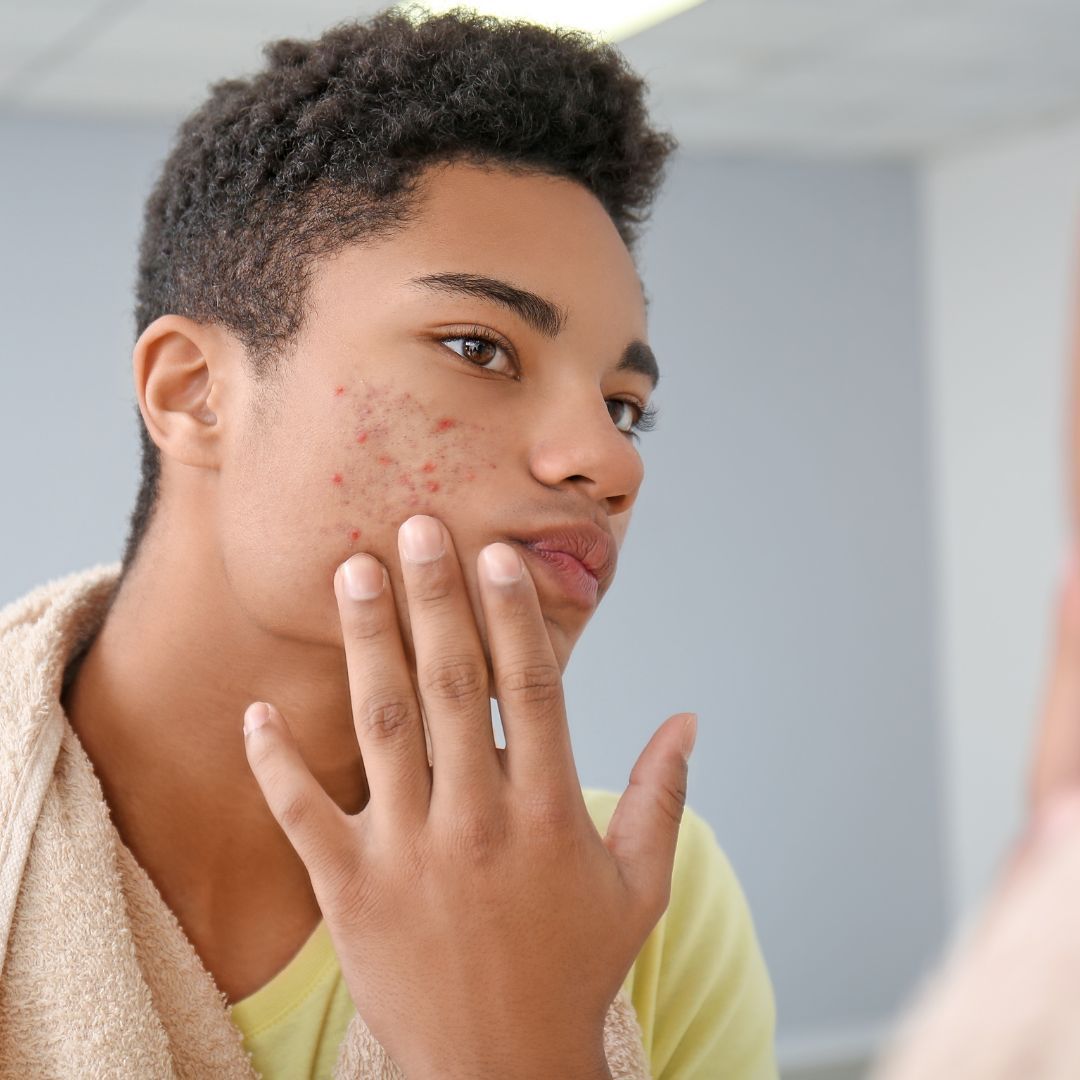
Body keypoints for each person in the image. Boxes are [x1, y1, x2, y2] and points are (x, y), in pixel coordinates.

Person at [0, 8, 776, 1078]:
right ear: (193, 395)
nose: (610, 461)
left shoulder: (638, 898)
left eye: (626, 404)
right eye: (479, 346)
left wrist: (517, 1043)